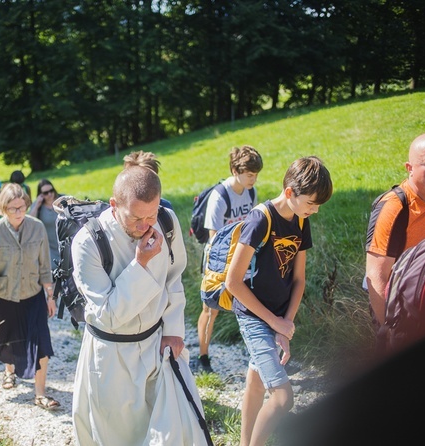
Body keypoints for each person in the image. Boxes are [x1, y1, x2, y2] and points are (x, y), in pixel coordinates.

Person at [71, 166, 205, 444]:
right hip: (111, 356)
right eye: (135, 218)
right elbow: (107, 315)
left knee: (178, 433)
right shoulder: (88, 242)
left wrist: (173, 330)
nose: (145, 226)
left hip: (158, 346)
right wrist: (140, 264)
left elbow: (173, 276)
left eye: (151, 215)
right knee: (120, 438)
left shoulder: (166, 222)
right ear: (114, 205)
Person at [224, 156, 333, 446]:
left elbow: (299, 280)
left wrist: (286, 324)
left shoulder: (300, 219)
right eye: (311, 202)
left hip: (279, 316)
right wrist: (273, 322)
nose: (316, 210)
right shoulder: (261, 219)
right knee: (283, 398)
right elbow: (232, 282)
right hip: (253, 315)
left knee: (257, 382)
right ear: (289, 193)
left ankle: (244, 442)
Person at [0, 183, 60, 410]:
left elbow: (45, 266)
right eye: (13, 208)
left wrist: (50, 296)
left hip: (33, 295)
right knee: (7, 338)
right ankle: (9, 371)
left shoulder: (37, 228)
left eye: (22, 207)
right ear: (3, 209)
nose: (19, 213)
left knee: (41, 342)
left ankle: (40, 393)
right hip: (4, 296)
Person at [366, 132, 425, 327]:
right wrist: (388, 330)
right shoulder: (395, 207)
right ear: (410, 168)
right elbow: (377, 277)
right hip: (406, 311)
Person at [194, 144, 263, 373]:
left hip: (241, 258)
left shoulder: (251, 192)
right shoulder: (220, 196)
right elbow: (214, 240)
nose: (253, 179)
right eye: (249, 175)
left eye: (255, 175)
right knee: (210, 310)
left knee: (249, 305)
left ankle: (259, 356)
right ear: (235, 171)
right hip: (217, 262)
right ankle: (203, 357)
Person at [28, 179, 62, 269]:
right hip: (49, 246)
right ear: (41, 194)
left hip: (64, 241)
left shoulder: (62, 200)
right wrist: (37, 204)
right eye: (46, 193)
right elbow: (30, 221)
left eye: (51, 191)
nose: (50, 194)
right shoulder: (38, 206)